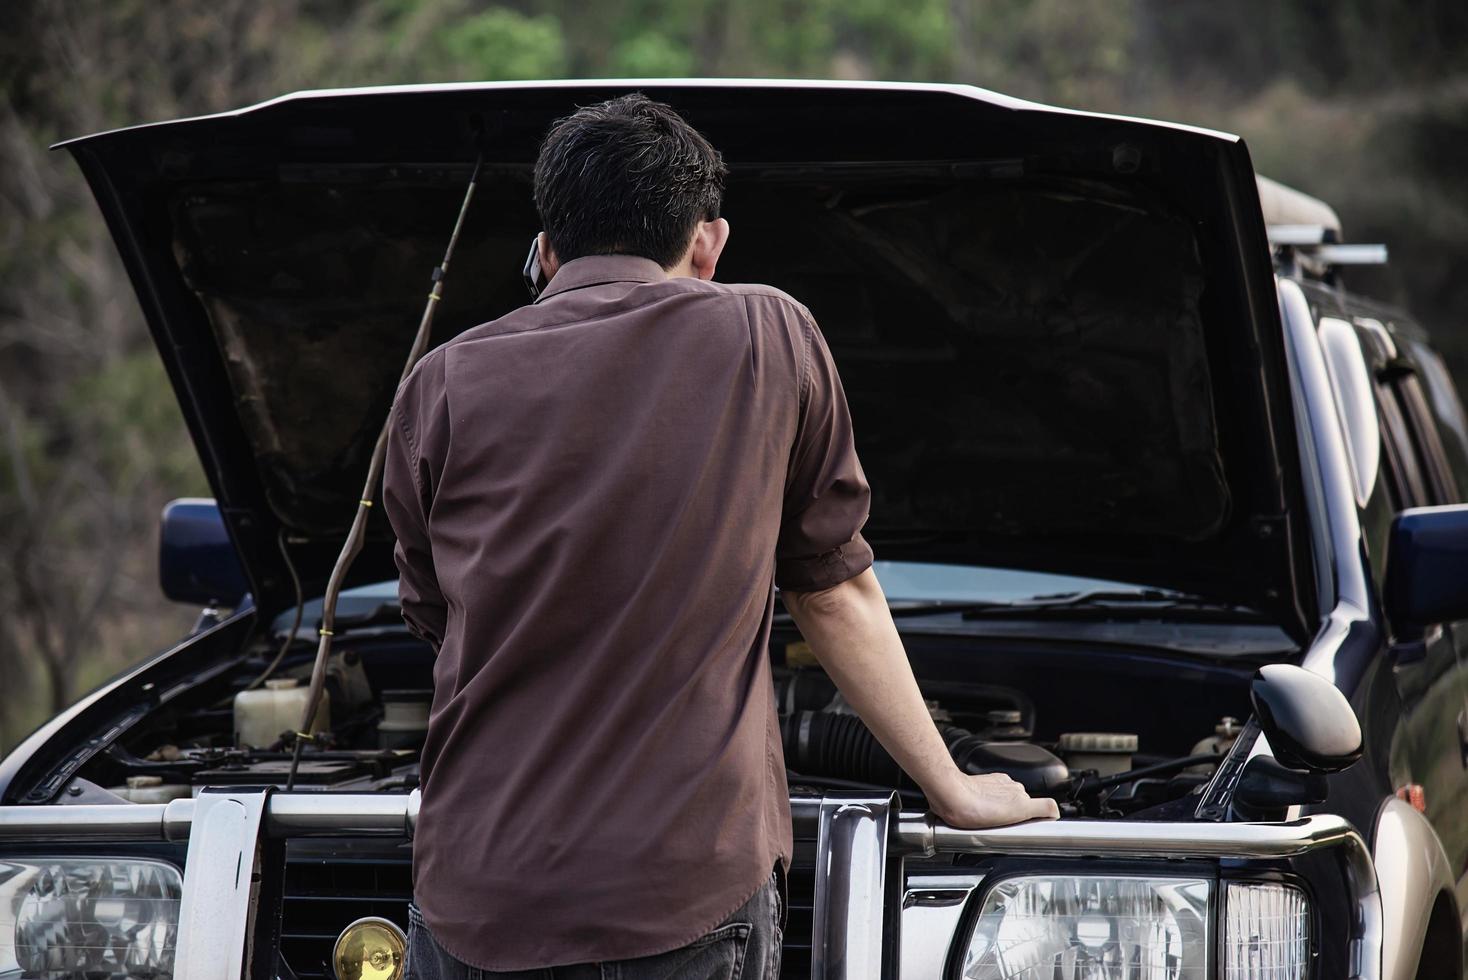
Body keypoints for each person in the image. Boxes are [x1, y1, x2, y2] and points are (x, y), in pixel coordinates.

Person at [383, 92, 1058, 980]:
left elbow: (434, 612)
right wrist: (953, 787)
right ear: (709, 243)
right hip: (678, 895)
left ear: (544, 252)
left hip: (474, 897)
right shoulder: (766, 332)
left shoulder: (440, 381)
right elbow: (832, 588)